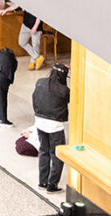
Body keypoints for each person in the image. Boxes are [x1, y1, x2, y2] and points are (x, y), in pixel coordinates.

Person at [30, 64, 71, 194]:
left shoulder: (40, 82)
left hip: (40, 122)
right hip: (55, 126)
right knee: (57, 155)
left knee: (44, 151)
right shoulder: (64, 90)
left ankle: (42, 182)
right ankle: (52, 185)